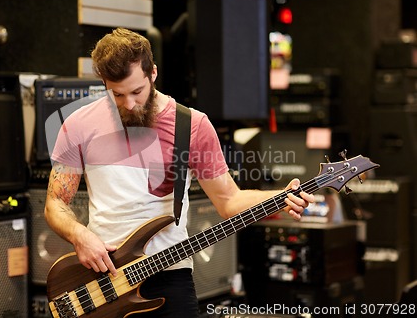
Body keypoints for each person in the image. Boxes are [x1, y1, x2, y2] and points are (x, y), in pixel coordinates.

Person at [44, 27, 314, 317]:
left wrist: (280, 196)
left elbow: (228, 201)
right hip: (101, 278)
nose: (130, 104)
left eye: (137, 91)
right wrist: (78, 235)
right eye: (117, 94)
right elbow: (55, 203)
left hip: (169, 272)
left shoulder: (192, 125)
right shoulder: (79, 124)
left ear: (153, 74)